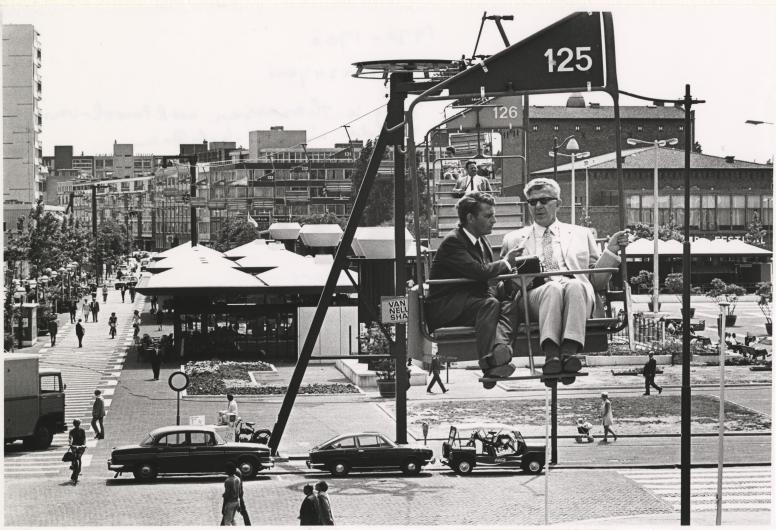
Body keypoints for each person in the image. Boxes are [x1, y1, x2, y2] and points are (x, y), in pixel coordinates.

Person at [500, 177, 629, 385]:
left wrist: (611, 250)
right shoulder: (514, 239)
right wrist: (516, 272)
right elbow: (506, 285)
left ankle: (568, 352)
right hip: (536, 296)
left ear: (558, 203)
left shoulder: (581, 234)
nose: (538, 206)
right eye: (532, 202)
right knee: (552, 288)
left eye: (544, 200)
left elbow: (596, 283)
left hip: (575, 295)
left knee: (575, 284)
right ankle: (552, 353)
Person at [426, 192, 525, 389]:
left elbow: (485, 279)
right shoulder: (453, 242)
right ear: (470, 218)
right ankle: (488, 364)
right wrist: (507, 262)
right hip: (447, 307)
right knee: (489, 304)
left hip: (470, 302)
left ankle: (500, 349)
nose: (494, 221)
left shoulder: (481, 240)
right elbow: (479, 272)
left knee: (509, 302)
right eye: (488, 216)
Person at [68, 419, 86, 484]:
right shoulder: (72, 431)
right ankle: (73, 465)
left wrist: (84, 445)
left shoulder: (82, 431)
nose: (77, 425)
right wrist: (70, 443)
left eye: (77, 424)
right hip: (74, 446)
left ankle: (78, 469)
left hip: (81, 446)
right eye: (76, 424)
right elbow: (70, 438)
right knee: (73, 457)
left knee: (79, 457)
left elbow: (84, 439)